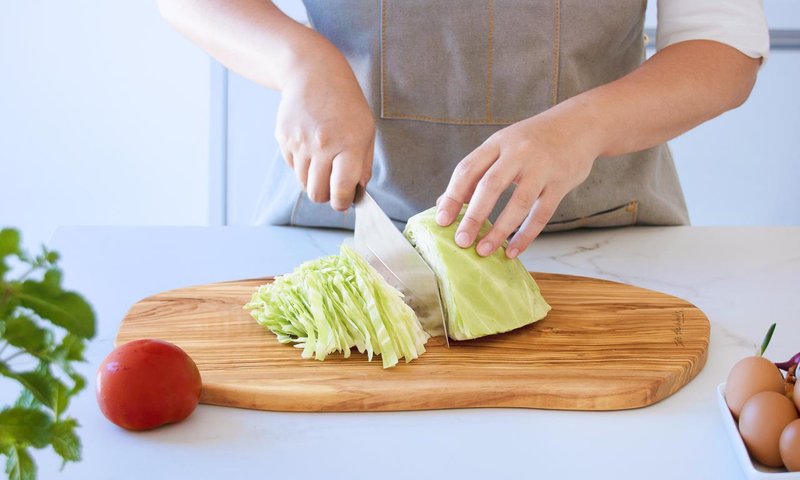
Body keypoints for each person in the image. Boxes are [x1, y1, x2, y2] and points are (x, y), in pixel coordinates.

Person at [158, 0, 769, 259]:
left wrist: (584, 127)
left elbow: (724, 44)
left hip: (603, 241)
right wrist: (301, 61)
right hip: (341, 238)